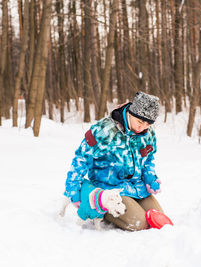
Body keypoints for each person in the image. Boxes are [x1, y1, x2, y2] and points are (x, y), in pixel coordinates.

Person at [64, 91, 167, 231]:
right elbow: (81, 158)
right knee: (141, 223)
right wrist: (73, 189)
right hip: (110, 189)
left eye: (148, 124)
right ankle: (102, 209)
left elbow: (148, 158)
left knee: (159, 220)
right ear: (131, 113)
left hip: (137, 188)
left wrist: (150, 178)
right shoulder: (105, 130)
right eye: (140, 122)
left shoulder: (147, 134)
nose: (142, 128)